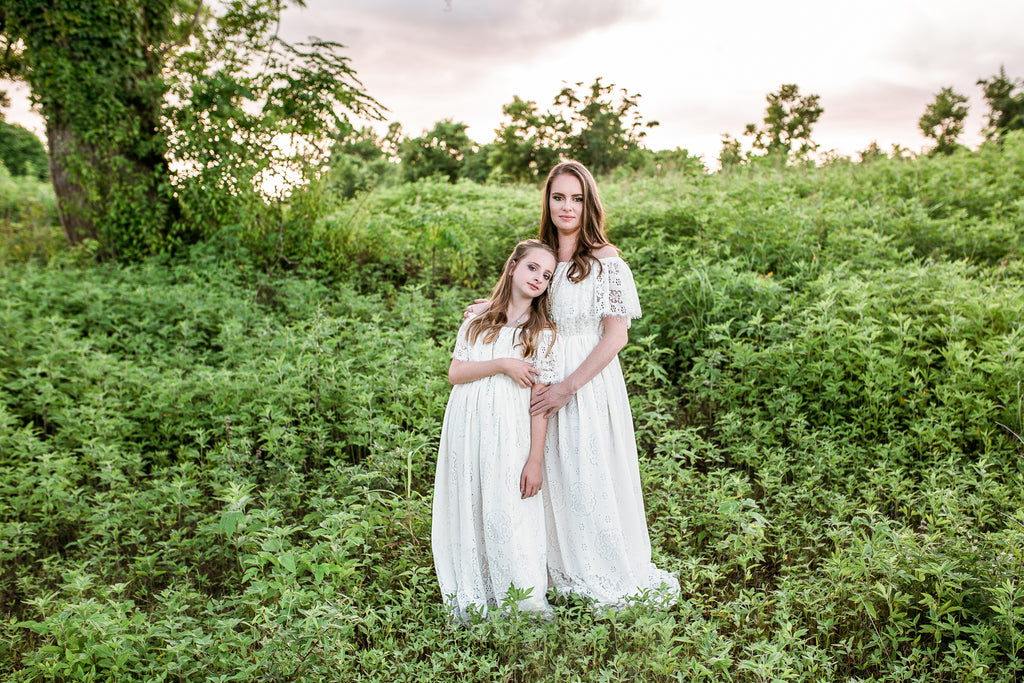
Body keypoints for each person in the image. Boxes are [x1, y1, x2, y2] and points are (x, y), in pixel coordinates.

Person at [469, 160, 680, 608]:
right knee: (547, 468)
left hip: (587, 378)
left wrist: (569, 386)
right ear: (547, 201)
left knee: (586, 471)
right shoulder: (543, 255)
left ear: (590, 204)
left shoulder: (605, 260)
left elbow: (617, 334)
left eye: (577, 198)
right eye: (559, 196)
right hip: (541, 371)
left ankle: (595, 566)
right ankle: (547, 566)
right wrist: (489, 306)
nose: (567, 207)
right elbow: (523, 293)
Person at [432, 239, 560, 622]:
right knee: (472, 501)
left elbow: (540, 404)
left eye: (547, 275)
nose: (538, 278)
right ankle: (475, 585)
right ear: (513, 267)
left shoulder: (543, 333)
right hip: (467, 429)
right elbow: (456, 373)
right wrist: (503, 363)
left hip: (510, 432)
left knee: (507, 506)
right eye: (532, 268)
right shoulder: (477, 319)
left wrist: (535, 459)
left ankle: (516, 592)